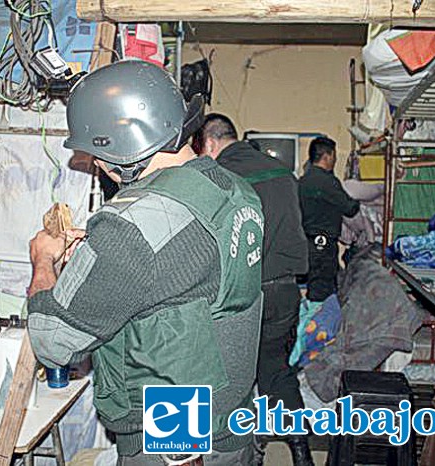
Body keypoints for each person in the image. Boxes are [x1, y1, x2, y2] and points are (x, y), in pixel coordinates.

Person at [26, 60, 265, 466]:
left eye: (96, 152)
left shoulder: (130, 224)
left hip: (173, 442)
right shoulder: (235, 190)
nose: (97, 163)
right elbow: (179, 286)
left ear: (119, 146)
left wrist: (43, 261)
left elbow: (52, 343)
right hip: (232, 423)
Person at [193, 114, 313, 466]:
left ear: (210, 143)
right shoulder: (284, 174)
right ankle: (301, 449)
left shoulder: (220, 177)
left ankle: (249, 455)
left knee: (233, 379)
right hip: (286, 291)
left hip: (243, 296)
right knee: (277, 370)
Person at [299, 136, 359, 303]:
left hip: (307, 244)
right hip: (323, 247)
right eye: (334, 157)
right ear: (327, 156)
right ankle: (317, 327)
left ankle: (313, 323)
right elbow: (350, 209)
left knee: (315, 287)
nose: (334, 161)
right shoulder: (328, 182)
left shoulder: (302, 181)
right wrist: (358, 201)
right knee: (322, 291)